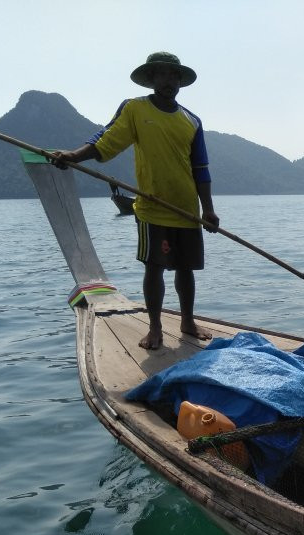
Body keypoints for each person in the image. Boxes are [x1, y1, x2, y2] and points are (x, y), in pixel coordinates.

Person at [53, 52, 219, 350]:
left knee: (186, 268)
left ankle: (187, 320)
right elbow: (107, 139)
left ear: (180, 82)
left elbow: (201, 169)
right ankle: (155, 327)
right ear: (152, 78)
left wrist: (208, 209)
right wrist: (74, 156)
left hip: (186, 209)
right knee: (154, 267)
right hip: (153, 207)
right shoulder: (135, 108)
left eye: (174, 76)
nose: (169, 81)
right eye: (163, 75)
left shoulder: (191, 120)